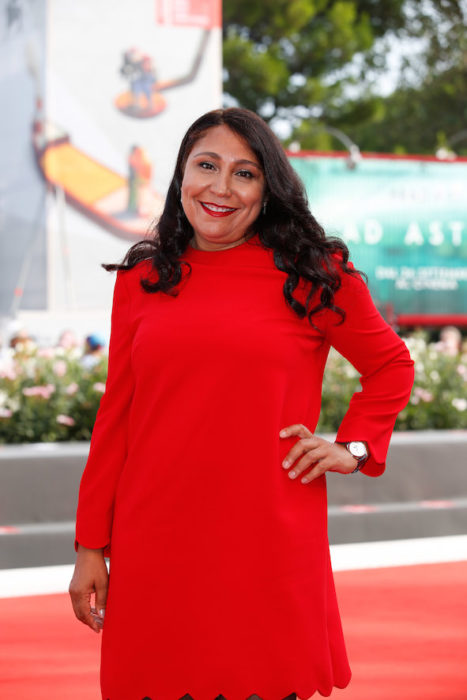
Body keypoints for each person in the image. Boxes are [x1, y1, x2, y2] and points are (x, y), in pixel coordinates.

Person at [69, 108, 414, 700]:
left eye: (245, 173)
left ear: (267, 188)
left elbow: (391, 365)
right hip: (155, 540)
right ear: (181, 176)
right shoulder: (143, 279)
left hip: (267, 541)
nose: (221, 188)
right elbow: (117, 420)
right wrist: (89, 547)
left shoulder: (312, 275)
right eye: (207, 166)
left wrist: (353, 447)